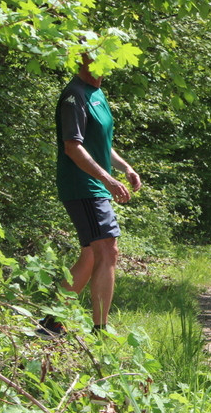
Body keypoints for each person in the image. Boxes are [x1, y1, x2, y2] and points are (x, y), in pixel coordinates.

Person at [45, 50, 142, 337]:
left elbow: (100, 142)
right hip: (83, 184)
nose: (104, 67)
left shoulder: (96, 94)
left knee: (91, 253)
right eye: (97, 61)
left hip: (96, 183)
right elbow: (73, 147)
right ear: (81, 61)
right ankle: (100, 330)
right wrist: (107, 179)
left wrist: (124, 167)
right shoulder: (74, 96)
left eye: (109, 61)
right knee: (107, 250)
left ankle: (52, 322)